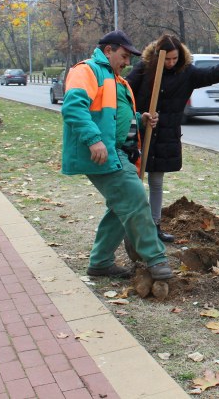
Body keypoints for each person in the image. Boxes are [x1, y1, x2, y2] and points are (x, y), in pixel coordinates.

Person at [61, 30, 172, 280]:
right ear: (108, 50)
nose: (126, 62)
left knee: (120, 207)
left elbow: (114, 118)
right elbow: (73, 108)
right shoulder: (87, 71)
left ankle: (100, 263)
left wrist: (139, 120)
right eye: (123, 56)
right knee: (134, 198)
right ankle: (156, 259)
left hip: (118, 150)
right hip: (102, 152)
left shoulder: (117, 80)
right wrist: (94, 140)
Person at [126, 34, 219, 242]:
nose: (170, 63)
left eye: (174, 59)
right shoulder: (144, 68)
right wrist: (140, 115)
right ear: (157, 55)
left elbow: (211, 74)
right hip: (140, 131)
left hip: (166, 135)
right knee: (133, 181)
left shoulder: (187, 72)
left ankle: (155, 225)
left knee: (156, 180)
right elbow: (125, 92)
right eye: (166, 59)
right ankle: (132, 226)